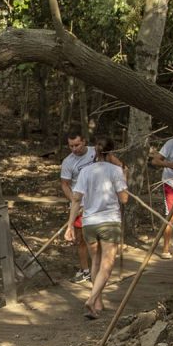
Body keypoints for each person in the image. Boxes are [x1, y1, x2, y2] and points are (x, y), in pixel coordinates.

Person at [65, 136, 129, 319]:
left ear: (96, 151)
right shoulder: (116, 170)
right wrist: (124, 179)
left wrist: (70, 225)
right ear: (111, 152)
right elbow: (124, 199)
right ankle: (92, 299)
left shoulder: (85, 171)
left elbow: (76, 199)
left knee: (96, 262)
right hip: (109, 221)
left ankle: (98, 302)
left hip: (89, 223)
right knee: (107, 266)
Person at [58, 129, 96, 282]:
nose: (74, 149)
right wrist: (75, 201)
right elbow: (65, 185)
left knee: (96, 239)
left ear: (84, 142)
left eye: (77, 145)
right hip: (79, 205)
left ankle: (97, 270)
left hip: (98, 204)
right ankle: (85, 271)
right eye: (71, 146)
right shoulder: (68, 162)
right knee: (80, 240)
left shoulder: (96, 153)